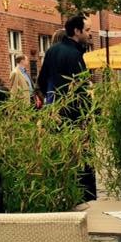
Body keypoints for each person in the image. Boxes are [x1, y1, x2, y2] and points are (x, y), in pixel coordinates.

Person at [37, 14, 95, 199]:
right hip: (74, 118)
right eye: (87, 30)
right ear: (77, 31)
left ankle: (61, 194)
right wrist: (88, 115)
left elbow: (41, 81)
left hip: (55, 115)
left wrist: (53, 103)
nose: (90, 34)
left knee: (60, 160)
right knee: (80, 164)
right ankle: (82, 196)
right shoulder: (75, 55)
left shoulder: (51, 51)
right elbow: (81, 89)